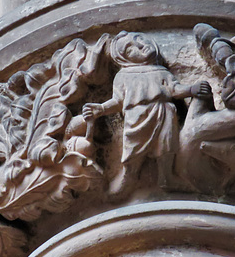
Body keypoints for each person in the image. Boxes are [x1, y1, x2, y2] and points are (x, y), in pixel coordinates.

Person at [83, 31, 211, 196]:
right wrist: (100, 109)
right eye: (130, 50)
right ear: (124, 59)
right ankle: (129, 175)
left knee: (166, 145)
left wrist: (191, 89)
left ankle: (167, 176)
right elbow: (118, 101)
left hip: (164, 112)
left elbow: (174, 89)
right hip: (136, 117)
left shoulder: (161, 71)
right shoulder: (123, 76)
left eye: (140, 39)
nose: (141, 46)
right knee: (133, 149)